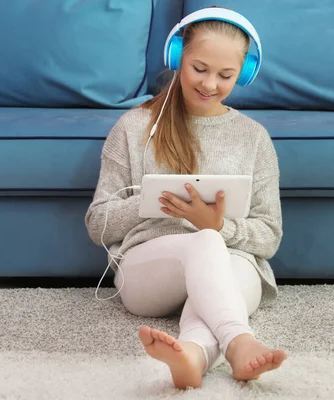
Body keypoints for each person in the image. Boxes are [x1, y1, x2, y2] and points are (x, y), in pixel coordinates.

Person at [85, 7, 287, 390]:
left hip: (234, 264)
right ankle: (238, 341)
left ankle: (193, 355)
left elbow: (270, 235)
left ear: (242, 74)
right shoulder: (133, 126)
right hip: (150, 270)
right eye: (199, 68)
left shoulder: (254, 137)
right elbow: (98, 223)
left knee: (213, 248)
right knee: (206, 242)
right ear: (178, 57)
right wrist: (151, 199)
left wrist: (219, 226)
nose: (210, 84)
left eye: (226, 75)